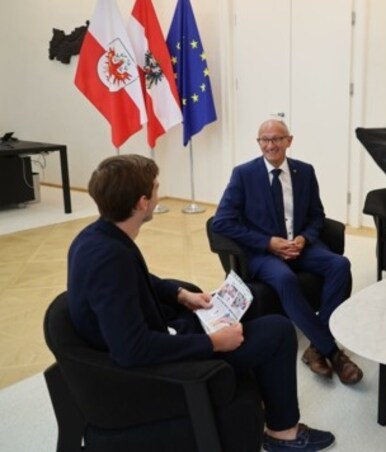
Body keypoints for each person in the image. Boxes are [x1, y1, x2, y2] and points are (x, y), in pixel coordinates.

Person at [67, 155, 335, 452]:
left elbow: (140, 279)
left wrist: (179, 293)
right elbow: (132, 350)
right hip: (153, 372)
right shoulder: (109, 258)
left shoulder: (97, 237)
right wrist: (213, 344)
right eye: (155, 188)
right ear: (143, 202)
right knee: (280, 331)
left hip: (161, 331)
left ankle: (264, 398)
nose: (158, 194)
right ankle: (283, 434)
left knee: (253, 306)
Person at [213, 118, 363, 385]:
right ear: (259, 143)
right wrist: (267, 243)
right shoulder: (243, 174)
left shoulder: (304, 172)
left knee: (340, 264)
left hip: (300, 246)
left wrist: (305, 238)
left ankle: (315, 346)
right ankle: (333, 352)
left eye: (277, 139)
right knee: (284, 279)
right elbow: (222, 222)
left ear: (289, 141)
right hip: (263, 253)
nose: (271, 145)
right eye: (265, 140)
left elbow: (317, 215)